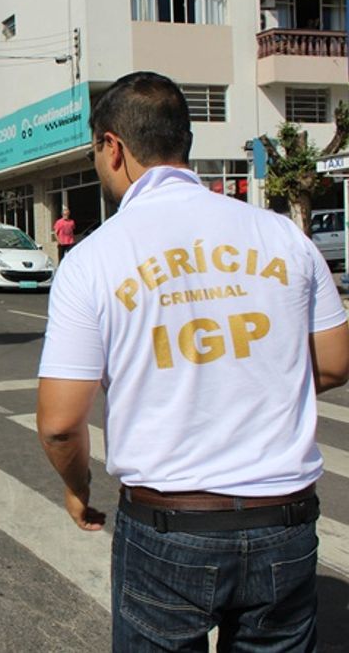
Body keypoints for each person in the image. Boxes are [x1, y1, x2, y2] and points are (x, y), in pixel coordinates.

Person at [36, 71, 349, 651]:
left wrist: (77, 486)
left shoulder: (94, 260)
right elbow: (333, 363)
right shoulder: (283, 235)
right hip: (284, 523)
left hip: (167, 532)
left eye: (97, 152)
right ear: (184, 143)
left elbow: (59, 422)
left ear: (114, 148)